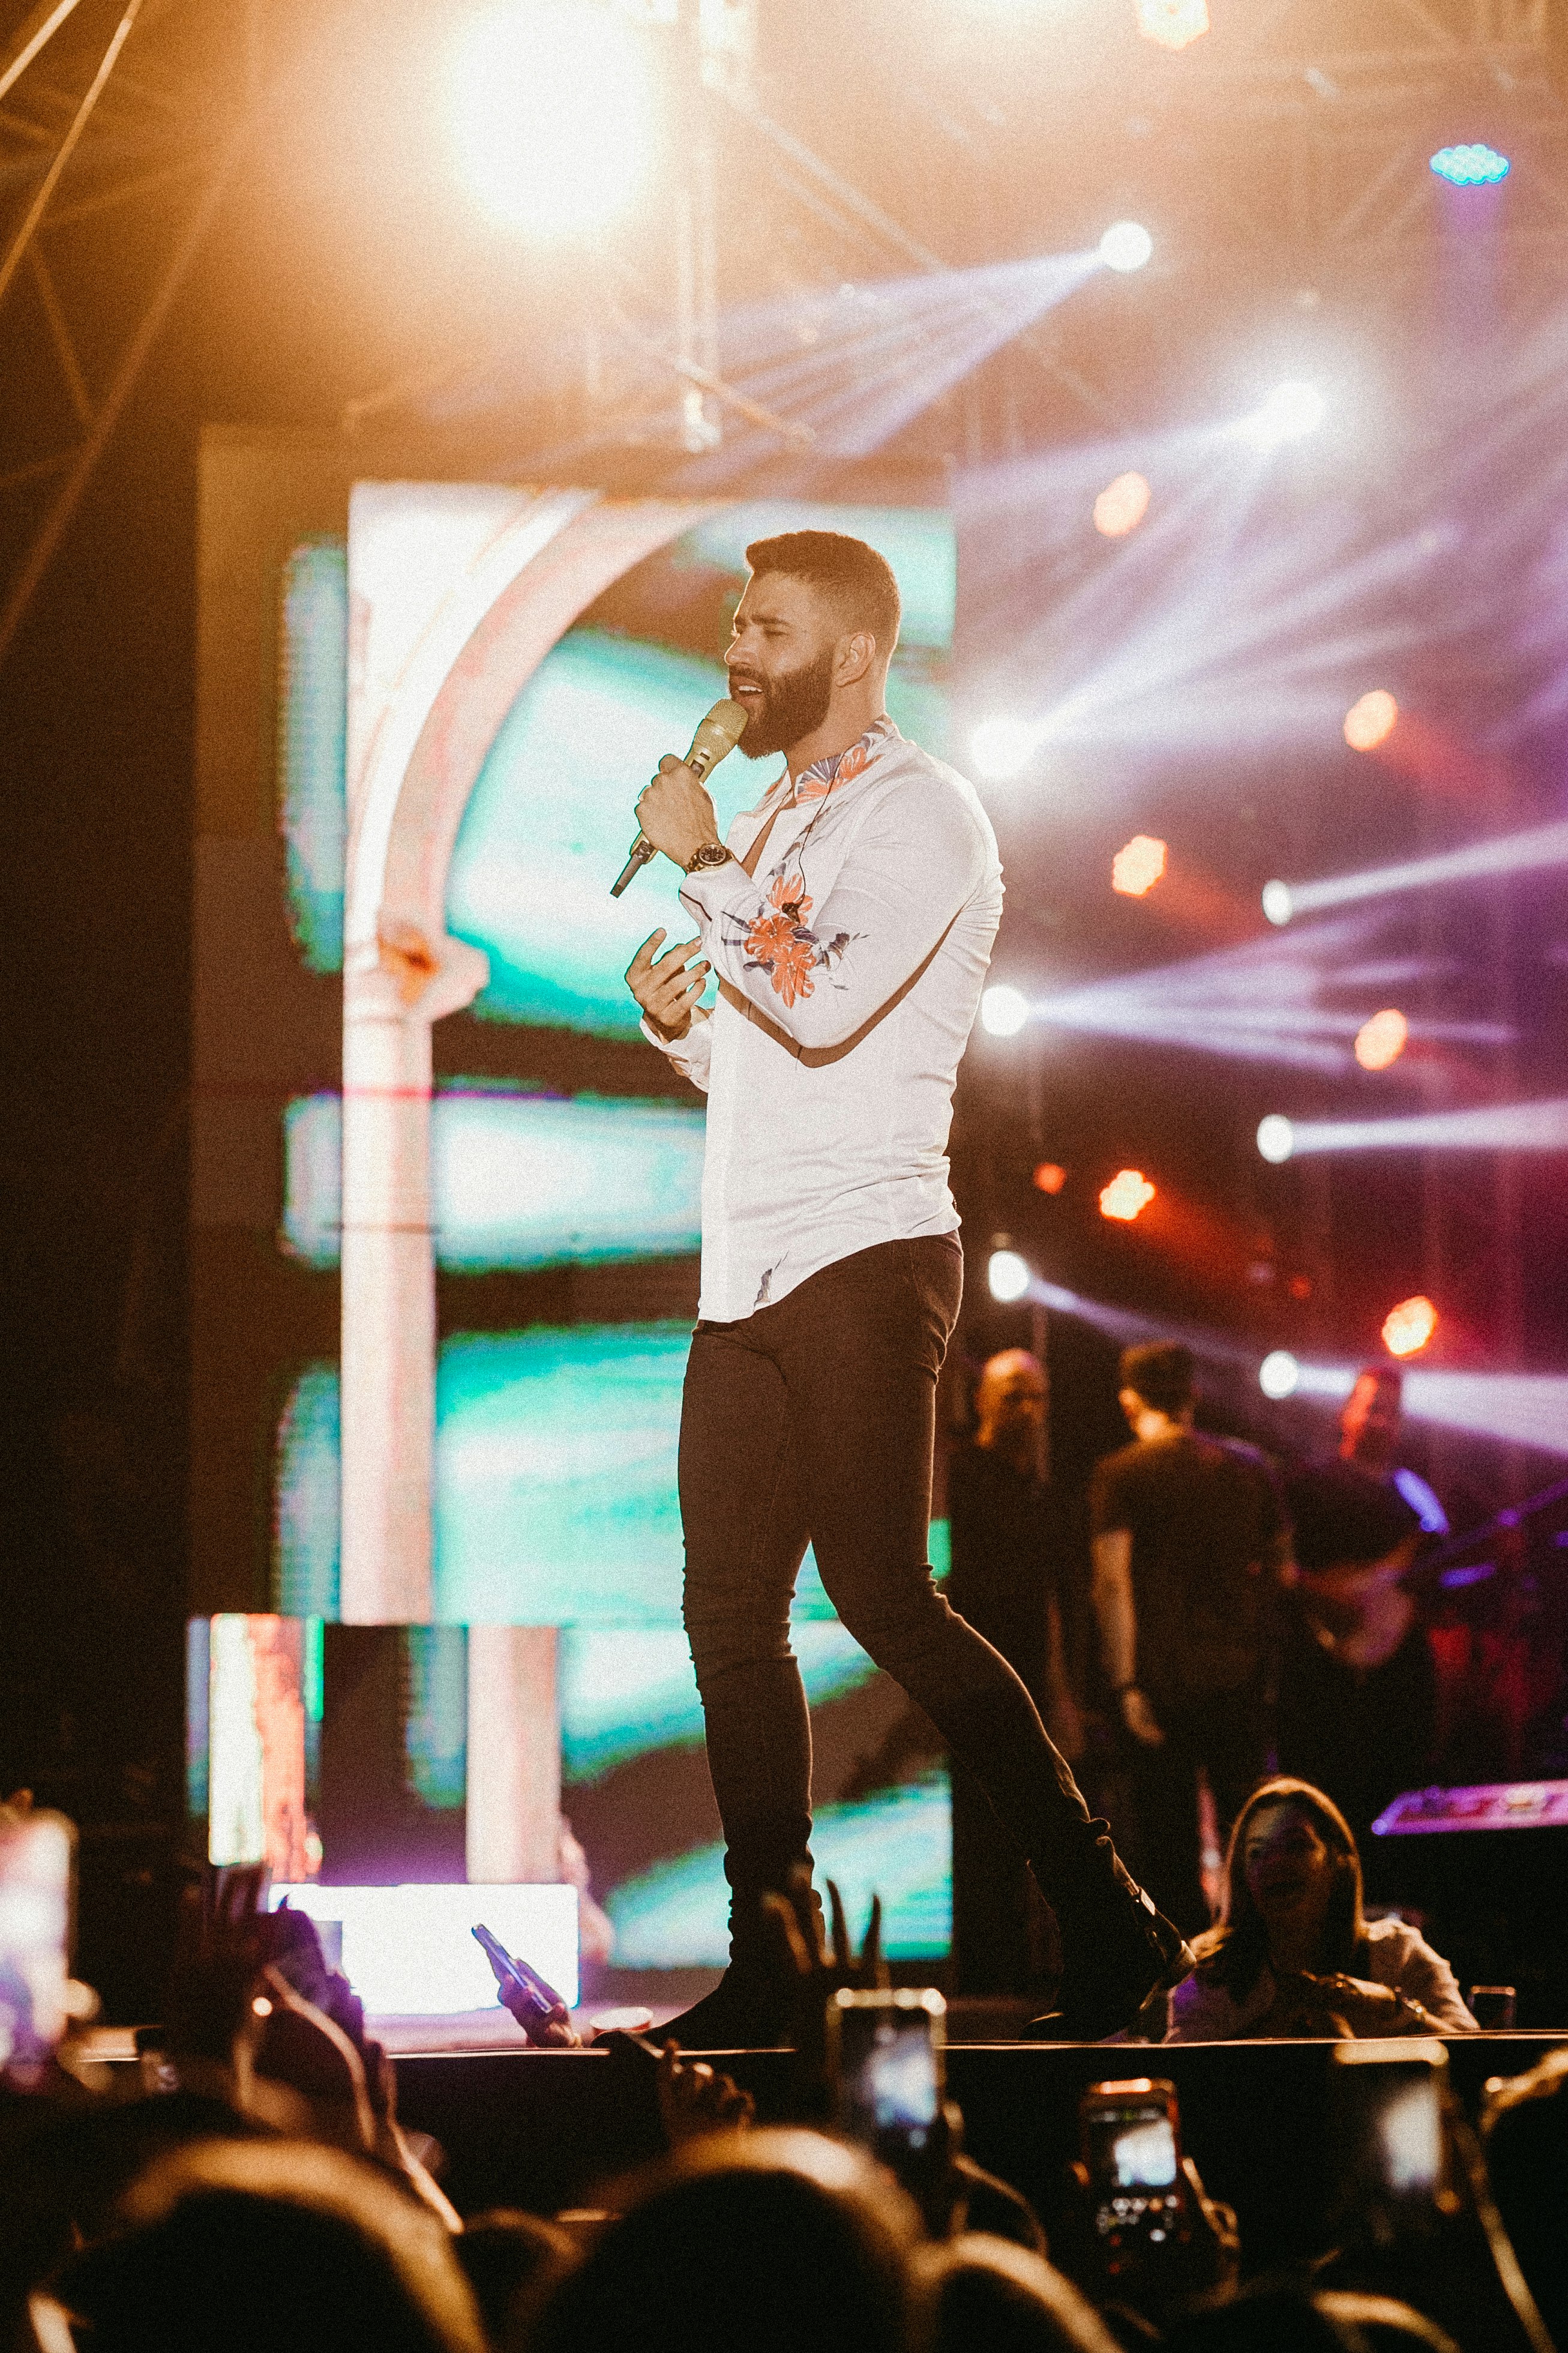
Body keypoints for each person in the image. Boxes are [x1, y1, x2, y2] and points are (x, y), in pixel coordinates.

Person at [625, 529, 1187, 2046]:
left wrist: (699, 861)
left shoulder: (923, 814)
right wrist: (682, 1028)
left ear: (852, 657)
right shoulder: (776, 817)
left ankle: (1112, 1917)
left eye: (765, 626)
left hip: (866, 1253)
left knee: (883, 1595)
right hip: (742, 1275)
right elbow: (770, 1053)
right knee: (727, 1613)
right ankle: (777, 1959)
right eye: (735, 624)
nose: (735, 652)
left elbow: (823, 998)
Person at [1089, 1343, 1289, 1937]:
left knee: (1167, 1847)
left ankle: (1190, 1989)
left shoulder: (1119, 1474)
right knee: (1248, 1833)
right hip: (1241, 1676)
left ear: (1130, 1399)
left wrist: (1124, 1681)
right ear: (1193, 1394)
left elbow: (1112, 1582)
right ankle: (1259, 1968)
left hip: (1160, 1680)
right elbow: (1283, 1572)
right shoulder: (1252, 1467)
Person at [946, 1350, 1080, 1999]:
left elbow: (1050, 1598)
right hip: (971, 1683)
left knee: (1026, 1829)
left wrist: (1060, 1689)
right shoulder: (960, 1474)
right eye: (1012, 1396)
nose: (1027, 1411)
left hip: (1022, 1683)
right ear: (982, 1401)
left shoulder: (1039, 1491)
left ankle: (1021, 1979)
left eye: (1036, 1397)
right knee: (982, 1836)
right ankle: (987, 1982)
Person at [1159, 1777, 1477, 2040]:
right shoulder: (1208, 1973)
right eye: (1257, 1853)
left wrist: (1391, 2006)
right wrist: (1280, 2022)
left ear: (1338, 1863)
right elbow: (1188, 2083)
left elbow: (1477, 2058)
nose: (1275, 1863)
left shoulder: (1398, 1953)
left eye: (1296, 1845)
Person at [1276, 1369, 1439, 1872]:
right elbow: (1278, 1570)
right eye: (1371, 1406)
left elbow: (1438, 1581)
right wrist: (1330, 1596)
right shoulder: (1307, 1485)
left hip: (1396, 1681)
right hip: (1324, 1682)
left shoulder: (1413, 1493)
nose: (1380, 1419)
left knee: (1394, 1800)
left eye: (1390, 1410)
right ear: (1345, 1410)